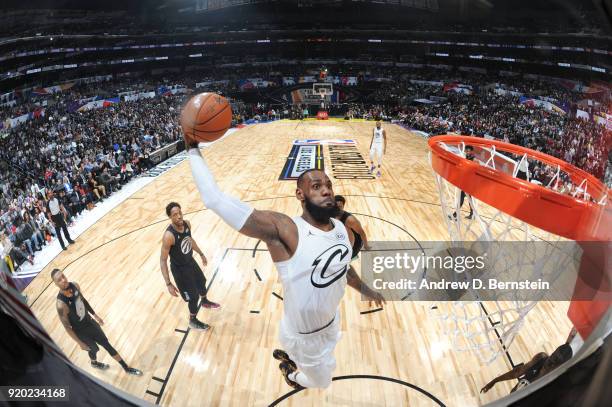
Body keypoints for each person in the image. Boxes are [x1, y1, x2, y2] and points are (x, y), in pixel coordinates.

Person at [185, 136, 385, 390]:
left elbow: (343, 268)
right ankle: (291, 375)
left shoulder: (341, 230)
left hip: (332, 321)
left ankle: (295, 360)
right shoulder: (285, 230)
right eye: (316, 186)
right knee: (321, 382)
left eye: (329, 186)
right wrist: (192, 149)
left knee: (327, 357)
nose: (326, 190)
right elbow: (214, 199)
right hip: (303, 337)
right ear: (300, 194)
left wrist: (366, 290)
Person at [52, 269, 142, 375]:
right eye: (59, 280)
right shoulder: (61, 305)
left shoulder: (75, 285)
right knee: (94, 349)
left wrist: (95, 315)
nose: (63, 280)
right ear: (55, 284)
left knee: (107, 344)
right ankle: (94, 363)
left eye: (63, 276)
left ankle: (126, 368)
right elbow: (67, 327)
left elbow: (83, 301)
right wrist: (80, 343)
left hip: (90, 323)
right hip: (81, 332)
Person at [160, 202, 220, 331]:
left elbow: (189, 240)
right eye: (175, 215)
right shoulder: (169, 236)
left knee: (202, 282)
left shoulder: (187, 224)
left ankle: (204, 301)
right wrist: (168, 284)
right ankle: (192, 320)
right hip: (180, 270)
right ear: (170, 217)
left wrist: (201, 253)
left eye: (180, 213)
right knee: (193, 297)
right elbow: (163, 260)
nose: (179, 216)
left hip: (190, 262)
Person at [480, 329, 576, 394]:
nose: (551, 362)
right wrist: (494, 381)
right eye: (553, 356)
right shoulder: (541, 358)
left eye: (556, 361)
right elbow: (516, 372)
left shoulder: (555, 387)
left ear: (560, 367)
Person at [450, 146, 475, 220]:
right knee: (466, 198)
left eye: (468, 151)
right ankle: (471, 214)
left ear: (471, 151)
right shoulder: (465, 158)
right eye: (466, 151)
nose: (467, 152)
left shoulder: (474, 159)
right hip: (465, 181)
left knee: (464, 198)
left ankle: (456, 215)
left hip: (470, 182)